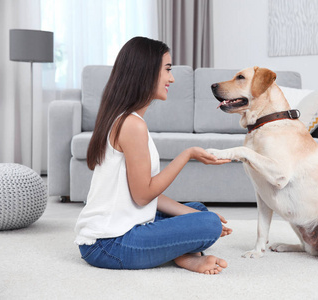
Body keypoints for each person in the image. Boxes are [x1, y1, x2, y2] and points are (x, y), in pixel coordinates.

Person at [74, 36, 232, 275]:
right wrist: (186, 155)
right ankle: (186, 255)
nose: (172, 78)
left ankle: (184, 255)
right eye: (167, 70)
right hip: (108, 244)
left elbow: (145, 197)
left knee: (198, 210)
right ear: (145, 72)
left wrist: (194, 215)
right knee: (208, 223)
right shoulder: (132, 125)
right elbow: (143, 196)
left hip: (115, 231)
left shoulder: (124, 118)